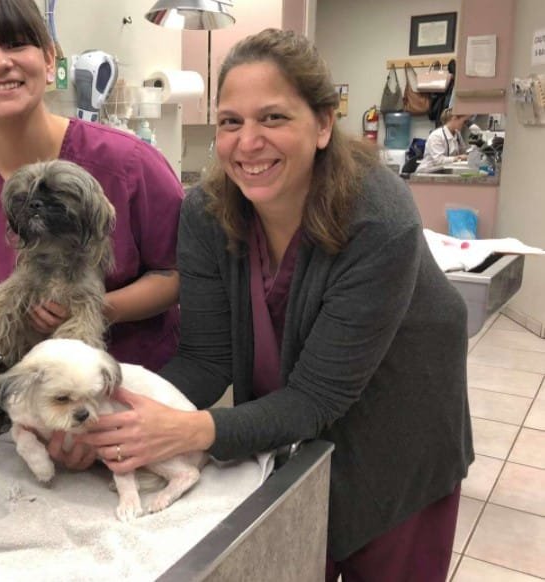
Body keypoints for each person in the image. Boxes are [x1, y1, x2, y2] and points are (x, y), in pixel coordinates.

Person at [78, 29, 473, 581]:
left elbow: (316, 396)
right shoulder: (208, 214)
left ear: (322, 124)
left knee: (377, 545)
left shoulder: (378, 217)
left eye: (273, 118)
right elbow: (205, 360)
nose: (247, 142)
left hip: (400, 425)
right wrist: (116, 415)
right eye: (231, 122)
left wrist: (191, 430)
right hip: (298, 420)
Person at [0, 0, 184, 448]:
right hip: (25, 421)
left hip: (138, 413)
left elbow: (176, 276)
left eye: (17, 44)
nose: (0, 63)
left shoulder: (129, 165)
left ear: (49, 57)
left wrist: (90, 307)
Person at [415, 108, 471, 174]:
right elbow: (439, 160)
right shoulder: (436, 136)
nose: (465, 125)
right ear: (454, 118)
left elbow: (464, 152)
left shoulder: (457, 134)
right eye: (464, 121)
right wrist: (458, 158)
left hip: (445, 170)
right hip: (428, 172)